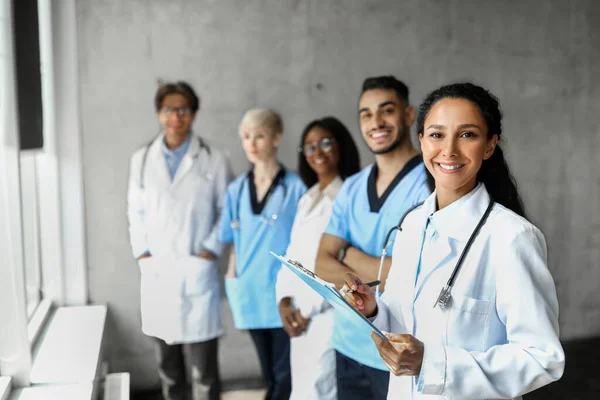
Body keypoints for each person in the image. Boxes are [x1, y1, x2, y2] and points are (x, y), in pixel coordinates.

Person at [343, 82, 565, 399]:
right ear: (421, 141)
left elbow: (542, 357)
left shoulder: (511, 238)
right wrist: (373, 308)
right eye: (436, 135)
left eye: (467, 135)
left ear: (489, 146)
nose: (449, 150)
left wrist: (434, 364)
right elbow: (407, 322)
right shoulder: (413, 223)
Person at [315, 76, 431, 400]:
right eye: (366, 114)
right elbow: (321, 263)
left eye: (386, 110)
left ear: (409, 115)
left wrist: (350, 255)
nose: (375, 122)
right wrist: (380, 270)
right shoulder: (353, 186)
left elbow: (418, 274)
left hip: (396, 349)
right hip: (348, 342)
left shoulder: (430, 182)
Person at [127, 81, 229, 400]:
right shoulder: (142, 159)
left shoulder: (213, 157)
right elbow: (135, 213)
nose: (176, 116)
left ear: (194, 114)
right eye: (169, 109)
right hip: (157, 273)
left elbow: (226, 211)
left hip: (197, 270)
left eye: (183, 109)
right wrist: (143, 255)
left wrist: (208, 252)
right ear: (159, 113)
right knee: (169, 373)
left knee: (205, 375)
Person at [219, 108, 306, 400]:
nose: (251, 144)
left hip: (282, 291)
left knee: (284, 377)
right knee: (268, 373)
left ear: (277, 138)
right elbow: (234, 241)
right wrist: (232, 277)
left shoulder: (295, 187)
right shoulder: (236, 190)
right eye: (246, 137)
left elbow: (305, 242)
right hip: (250, 290)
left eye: (259, 135)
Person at [276, 117, 361, 400]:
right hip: (299, 315)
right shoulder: (307, 197)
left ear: (341, 146)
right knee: (302, 389)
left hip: (327, 314)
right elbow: (292, 255)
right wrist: (284, 300)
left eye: (325, 143)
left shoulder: (348, 196)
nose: (318, 152)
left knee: (321, 391)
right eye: (309, 147)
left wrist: (306, 311)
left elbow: (339, 265)